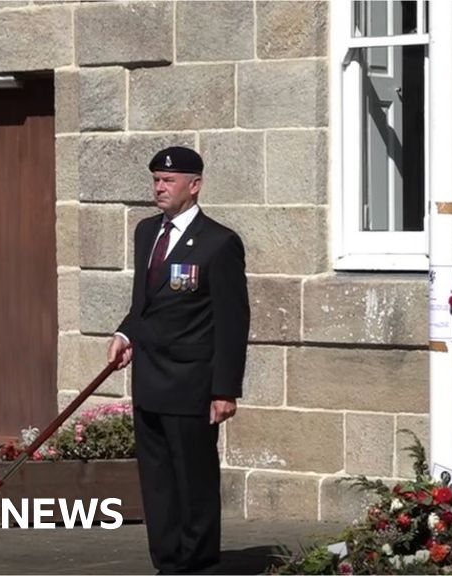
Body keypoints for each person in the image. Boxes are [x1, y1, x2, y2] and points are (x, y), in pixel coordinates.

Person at [106, 146, 250, 574]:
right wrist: (124, 333)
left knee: (194, 483)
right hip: (150, 381)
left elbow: (232, 322)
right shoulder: (147, 232)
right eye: (155, 180)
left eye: (168, 181)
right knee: (158, 484)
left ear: (195, 185)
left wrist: (225, 389)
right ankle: (167, 563)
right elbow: (144, 304)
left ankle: (199, 564)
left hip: (191, 385)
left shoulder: (219, 243)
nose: (159, 188)